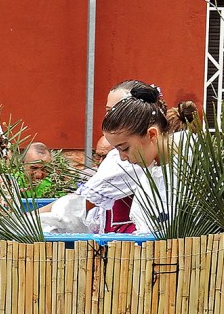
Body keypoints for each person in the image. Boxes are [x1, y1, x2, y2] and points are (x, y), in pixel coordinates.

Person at [39, 80, 148, 234]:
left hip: (128, 243)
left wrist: (29, 220)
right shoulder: (118, 157)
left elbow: (81, 203)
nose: (109, 117)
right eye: (108, 111)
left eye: (115, 111)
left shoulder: (132, 160)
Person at [100, 82, 177, 233]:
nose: (122, 158)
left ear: (152, 134)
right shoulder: (150, 172)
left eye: (125, 148)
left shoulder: (191, 163)